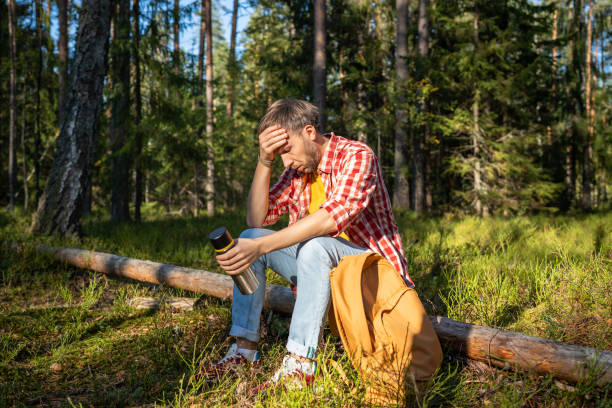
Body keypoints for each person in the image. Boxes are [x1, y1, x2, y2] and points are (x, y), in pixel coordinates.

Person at [203, 99, 413, 391]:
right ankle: (244, 351)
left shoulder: (357, 155)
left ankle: (300, 365)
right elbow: (256, 218)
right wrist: (264, 160)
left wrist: (263, 247)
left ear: (310, 132)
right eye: (279, 155)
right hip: (323, 278)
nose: (285, 162)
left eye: (286, 150)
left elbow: (331, 220)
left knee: (314, 245)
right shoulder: (296, 173)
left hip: (371, 282)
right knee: (249, 237)